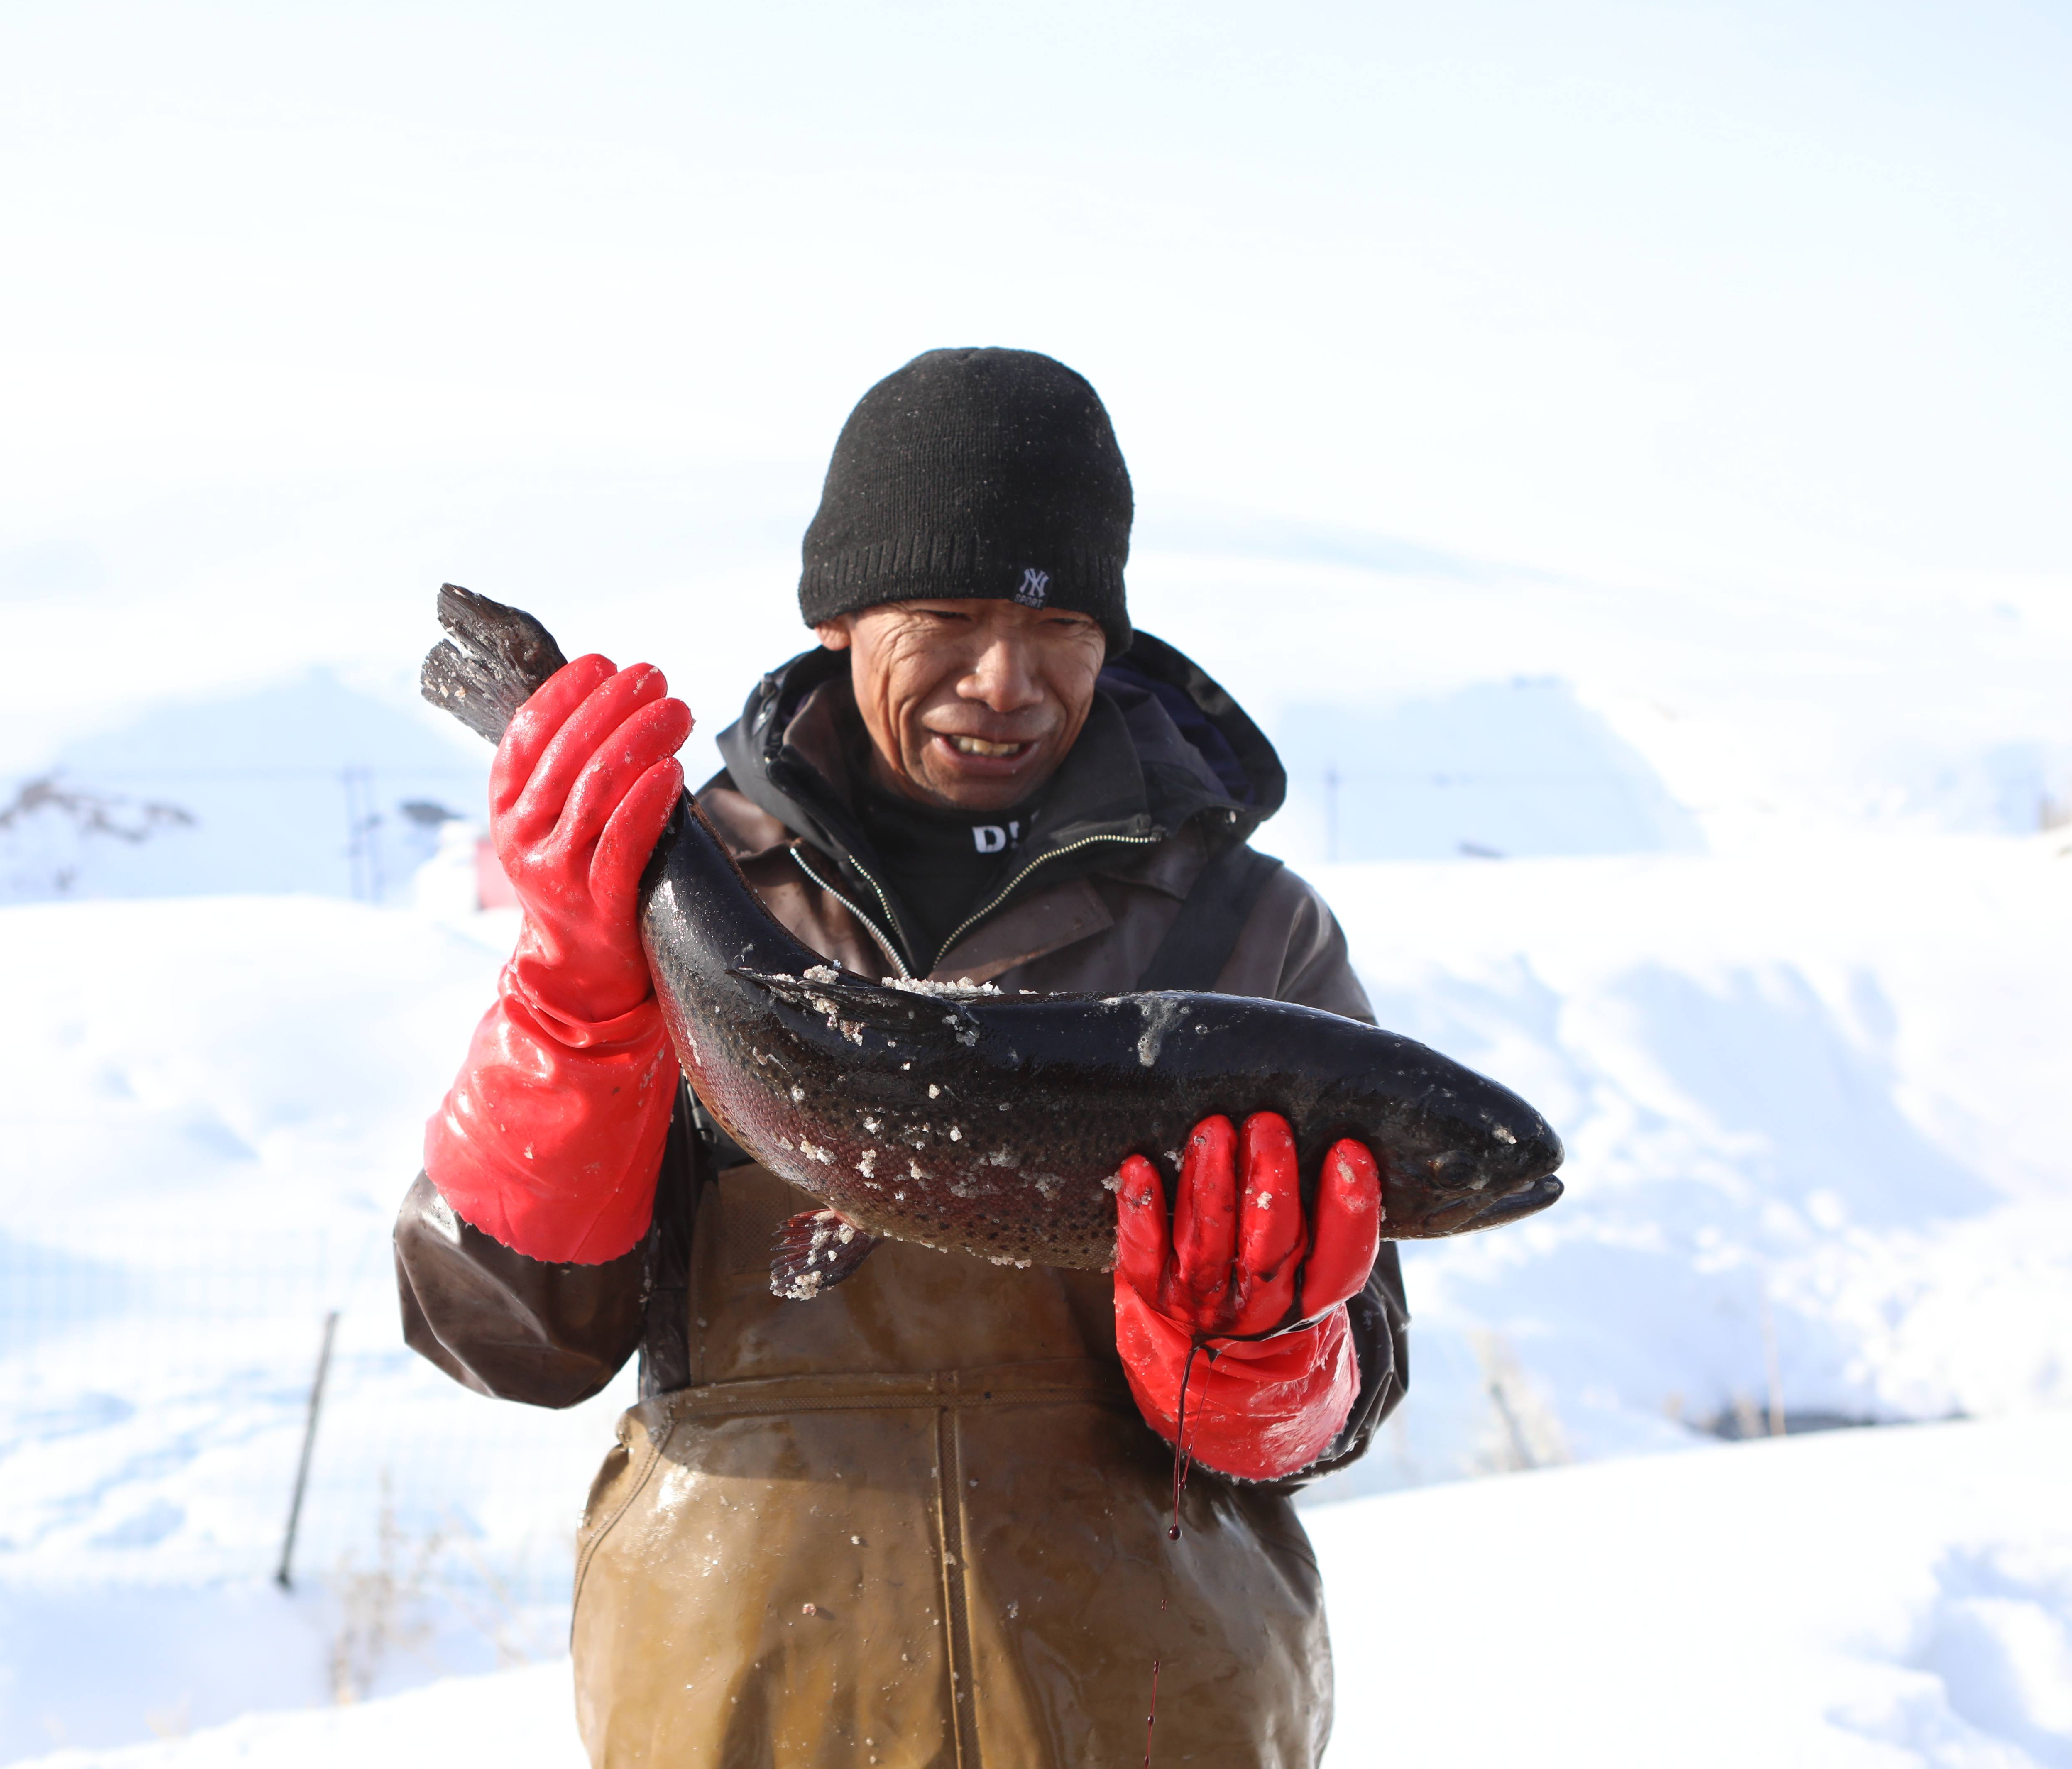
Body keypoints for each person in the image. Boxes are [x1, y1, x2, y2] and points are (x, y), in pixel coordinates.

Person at [396, 347, 1409, 1767]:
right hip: (743, 1718)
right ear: (838, 615)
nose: (1005, 680)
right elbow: (504, 1337)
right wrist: (574, 1011)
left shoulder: (1254, 934)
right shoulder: (658, 892)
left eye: (1057, 627)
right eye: (946, 613)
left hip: (1156, 1722)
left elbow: (1349, 1394)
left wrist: (1257, 1366)